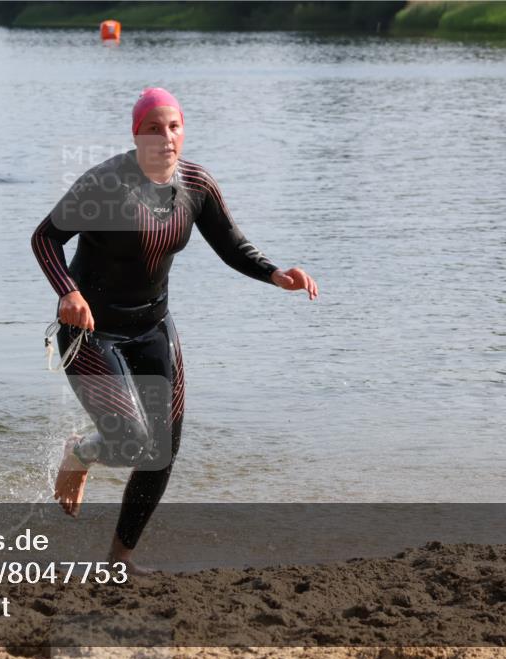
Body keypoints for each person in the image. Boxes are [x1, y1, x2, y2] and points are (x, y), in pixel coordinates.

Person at [31, 87, 318, 574]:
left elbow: (231, 243)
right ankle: (79, 454)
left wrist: (275, 274)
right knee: (131, 440)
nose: (166, 138)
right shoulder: (105, 184)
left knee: (162, 450)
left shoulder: (195, 185)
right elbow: (45, 238)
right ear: (136, 134)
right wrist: (68, 293)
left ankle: (119, 561)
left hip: (153, 327)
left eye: (174, 127)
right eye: (154, 129)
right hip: (92, 333)